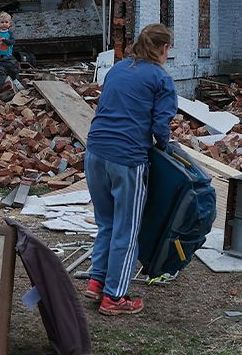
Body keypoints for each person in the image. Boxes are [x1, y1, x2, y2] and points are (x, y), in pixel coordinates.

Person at [81, 23, 176, 315]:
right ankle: (115, 297)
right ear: (163, 49)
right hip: (127, 157)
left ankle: (97, 281)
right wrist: (165, 148)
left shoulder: (117, 70)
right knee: (127, 227)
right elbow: (161, 125)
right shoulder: (160, 78)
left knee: (106, 222)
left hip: (95, 152)